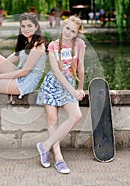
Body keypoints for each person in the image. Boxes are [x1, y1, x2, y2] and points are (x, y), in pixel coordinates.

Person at [36, 16, 86, 174]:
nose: (69, 33)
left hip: (70, 85)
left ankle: (45, 146)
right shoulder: (52, 46)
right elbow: (57, 72)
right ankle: (58, 158)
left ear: (77, 34)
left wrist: (80, 88)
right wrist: (73, 91)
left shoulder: (79, 44)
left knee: (76, 116)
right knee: (53, 120)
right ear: (63, 27)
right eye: (68, 28)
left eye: (73, 31)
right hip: (52, 85)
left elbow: (81, 68)